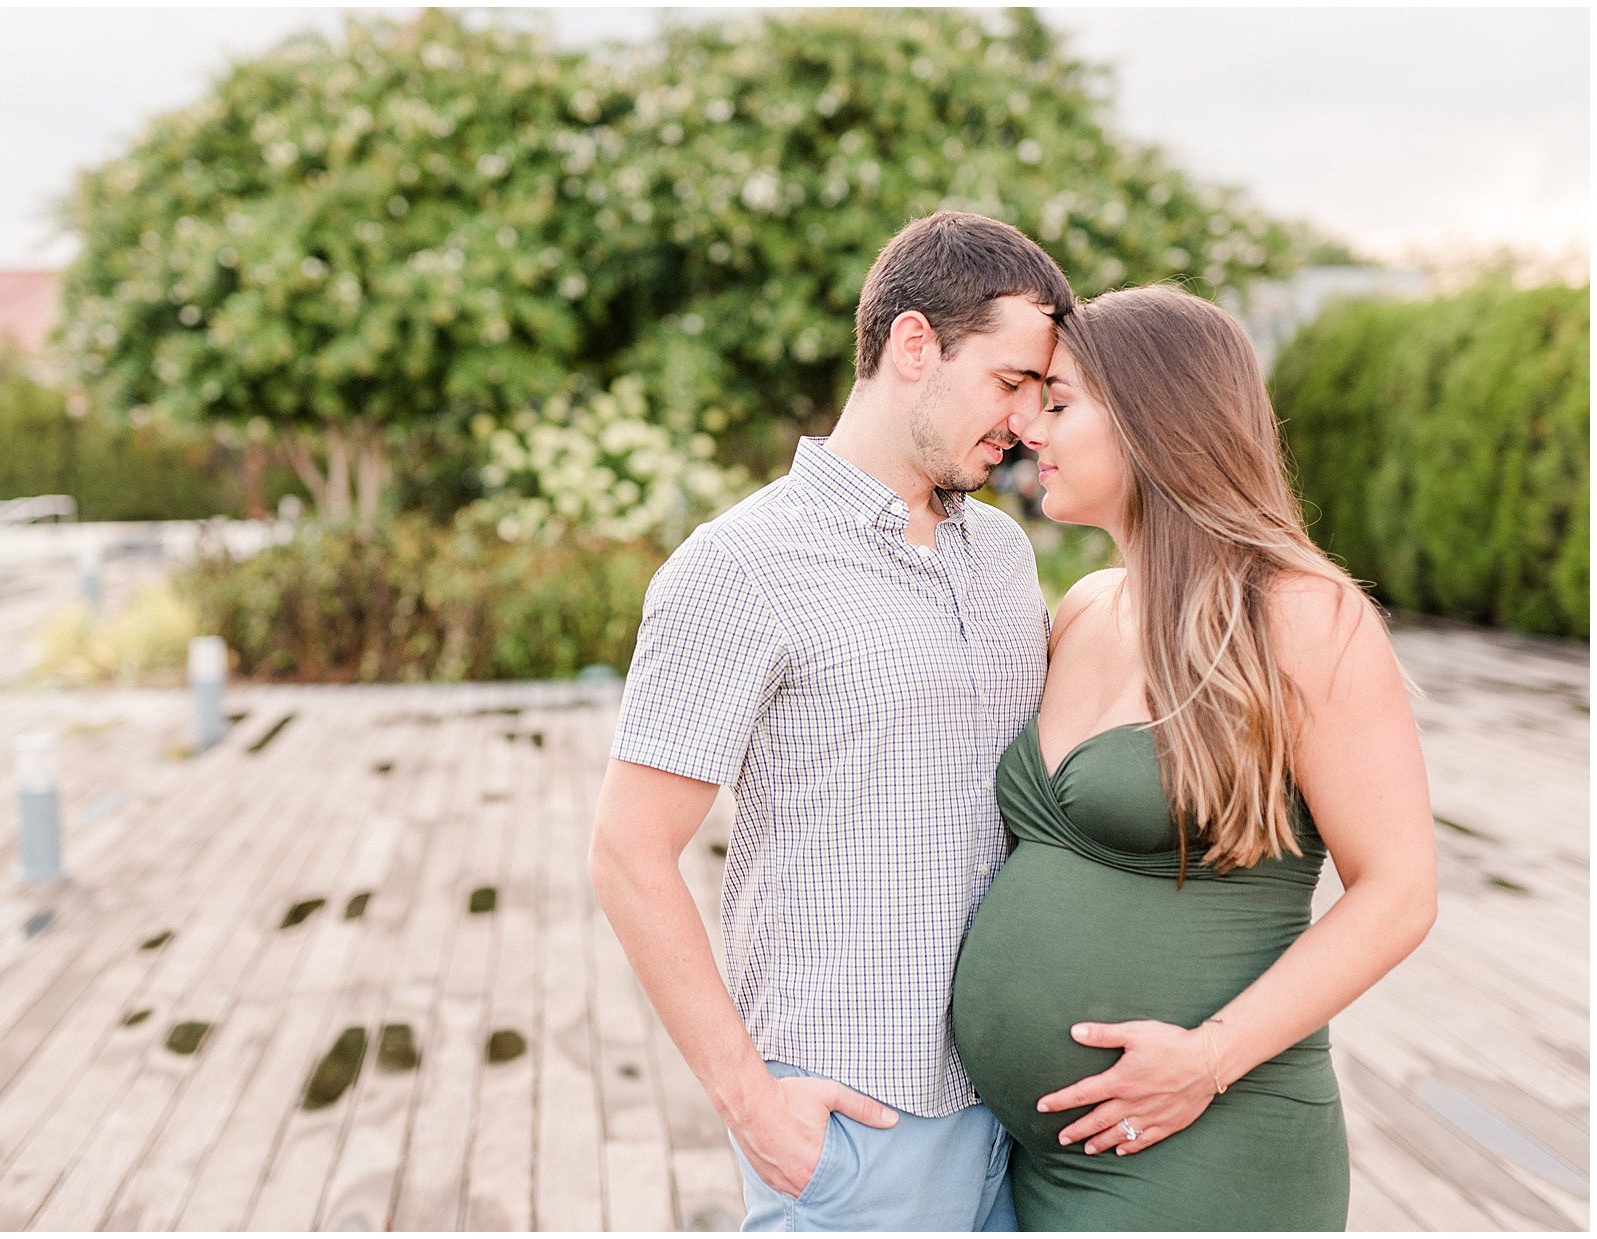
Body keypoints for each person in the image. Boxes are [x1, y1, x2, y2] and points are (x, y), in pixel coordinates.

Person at [588, 211, 1071, 1231]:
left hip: (1017, 1123)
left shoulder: (1003, 559)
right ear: (911, 346)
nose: (1029, 422)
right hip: (856, 1135)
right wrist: (752, 1105)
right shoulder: (738, 568)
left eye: (1041, 392)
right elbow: (628, 854)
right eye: (1010, 382)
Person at [950, 285, 1438, 1230]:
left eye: (1057, 401)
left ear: (1151, 419)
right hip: (1034, 1164)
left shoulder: (1299, 614)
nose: (1025, 426)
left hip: (1208, 1143)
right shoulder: (1086, 606)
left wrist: (1206, 1059)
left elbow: (1399, 890)